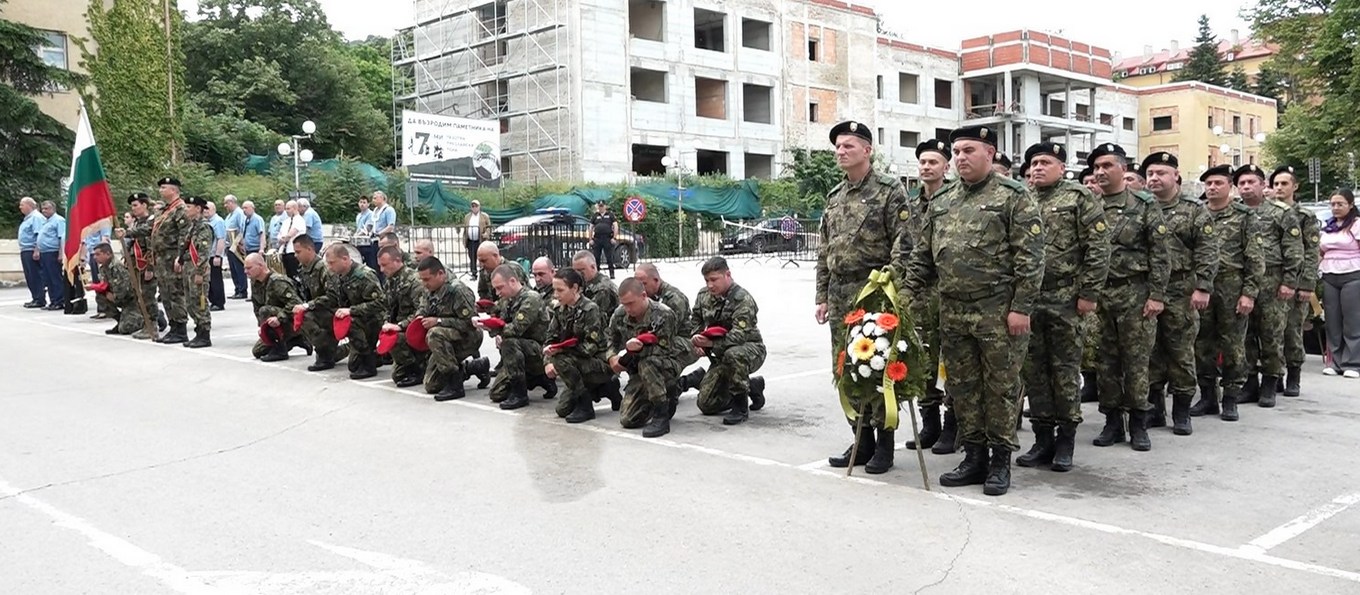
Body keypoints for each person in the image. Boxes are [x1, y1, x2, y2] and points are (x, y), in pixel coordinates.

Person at [902, 125, 1044, 496]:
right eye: (957, 152)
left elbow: (1030, 258)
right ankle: (974, 456)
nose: (961, 157)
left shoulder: (1013, 196)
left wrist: (1021, 308)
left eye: (969, 150)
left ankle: (1000, 461)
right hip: (952, 310)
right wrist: (904, 298)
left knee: (1000, 388)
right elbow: (922, 256)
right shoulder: (943, 199)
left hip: (997, 310)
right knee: (962, 387)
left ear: (990, 153)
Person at [814, 120, 912, 474]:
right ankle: (861, 439)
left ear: (867, 150)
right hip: (840, 293)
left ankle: (884, 444)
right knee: (846, 367)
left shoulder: (889, 190)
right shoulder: (834, 196)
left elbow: (904, 242)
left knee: (877, 364)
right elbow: (824, 250)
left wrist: (892, 288)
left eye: (849, 146)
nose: (841, 152)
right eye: (838, 146)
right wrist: (821, 295)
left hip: (873, 292)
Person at [1015, 142, 1109, 473]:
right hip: (1029, 299)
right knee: (1034, 371)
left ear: (1062, 167)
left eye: (1045, 162)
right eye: (1033, 163)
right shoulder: (1022, 199)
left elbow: (1098, 248)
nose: (1037, 168)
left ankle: (1066, 439)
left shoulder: (1079, 197)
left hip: (1066, 298)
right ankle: (1042, 439)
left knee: (1065, 370)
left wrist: (1089, 293)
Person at [1085, 144, 1169, 453]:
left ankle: (1138, 422)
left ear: (1123, 169)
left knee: (1136, 361)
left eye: (1107, 165)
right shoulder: (1090, 205)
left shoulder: (1144, 205)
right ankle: (1112, 421)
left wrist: (1157, 295)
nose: (1100, 172)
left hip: (1135, 293)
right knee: (1105, 361)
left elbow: (1160, 253)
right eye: (1096, 167)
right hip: (1099, 294)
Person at [1142, 153, 1218, 435]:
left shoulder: (1194, 210)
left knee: (1180, 351)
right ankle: (1154, 409)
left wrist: (1203, 287)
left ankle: (1182, 411)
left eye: (1161, 173)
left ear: (1176, 176)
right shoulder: (1140, 207)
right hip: (1147, 288)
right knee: (1149, 350)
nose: (1154, 178)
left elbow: (1207, 249)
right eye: (1150, 173)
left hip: (1181, 288)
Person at [1190, 165, 1263, 422]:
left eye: (1218, 183)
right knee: (1202, 343)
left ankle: (1231, 396)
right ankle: (1208, 396)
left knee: (1233, 344)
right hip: (1201, 286)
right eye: (1208, 184)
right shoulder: (1197, 214)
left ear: (1230, 187)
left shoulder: (1244, 216)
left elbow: (1255, 257)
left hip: (1232, 286)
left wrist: (1249, 293)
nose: (1212, 188)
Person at [1231, 164, 1302, 407]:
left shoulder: (1280, 212)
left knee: (1271, 334)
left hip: (1272, 280)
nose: (1246, 187)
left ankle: (1270, 382)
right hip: (1241, 280)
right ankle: (1250, 382)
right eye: (1241, 183)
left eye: (1251, 182)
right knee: (1245, 335)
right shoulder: (1234, 213)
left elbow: (1294, 250)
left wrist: (1289, 282)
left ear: (1263, 185)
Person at [904, 139, 957, 455]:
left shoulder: (955, 199)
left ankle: (953, 425)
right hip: (919, 294)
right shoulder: (911, 205)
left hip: (949, 292)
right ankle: (930, 424)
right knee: (923, 359)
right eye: (923, 162)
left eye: (933, 162)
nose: (926, 167)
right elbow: (903, 247)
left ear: (946, 167)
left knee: (950, 362)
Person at [688, 256, 766, 426]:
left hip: (748, 349)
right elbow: (695, 320)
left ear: (728, 275)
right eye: (707, 280)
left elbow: (739, 336)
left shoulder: (742, 299)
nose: (710, 285)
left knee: (733, 354)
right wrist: (698, 339)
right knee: (706, 405)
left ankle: (740, 407)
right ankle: (752, 386)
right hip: (720, 353)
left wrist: (710, 345)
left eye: (714, 279)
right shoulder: (703, 295)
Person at [609, 278, 684, 437]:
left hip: (663, 365)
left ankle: (661, 414)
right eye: (624, 304)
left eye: (631, 303)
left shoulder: (663, 314)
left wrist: (635, 351)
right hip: (637, 369)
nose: (628, 308)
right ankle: (670, 393)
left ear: (643, 296)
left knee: (647, 362)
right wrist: (613, 357)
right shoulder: (620, 314)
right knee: (628, 419)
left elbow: (664, 350)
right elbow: (610, 339)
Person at [1271, 166, 1320, 398]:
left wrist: (1307, 284)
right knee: (1272, 332)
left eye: (1284, 184)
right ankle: (1275, 374)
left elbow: (1312, 252)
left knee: (1292, 330)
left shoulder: (1304, 216)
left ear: (1295, 186)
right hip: (1273, 281)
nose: (1279, 188)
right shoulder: (1269, 212)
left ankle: (1294, 375)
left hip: (1297, 282)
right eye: (1276, 184)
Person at [415, 256, 490, 401]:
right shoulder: (430, 289)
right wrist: (420, 316)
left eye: (427, 279)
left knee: (434, 334)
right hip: (446, 338)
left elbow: (471, 323)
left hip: (468, 337)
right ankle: (474, 367)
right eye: (422, 280)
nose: (424, 283)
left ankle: (455, 385)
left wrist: (439, 321)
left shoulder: (458, 290)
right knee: (431, 384)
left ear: (440, 274)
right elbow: (423, 307)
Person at [545, 267, 613, 423]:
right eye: (554, 290)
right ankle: (605, 388)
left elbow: (591, 347)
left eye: (560, 290)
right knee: (562, 410)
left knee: (561, 360)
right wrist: (548, 360)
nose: (555, 295)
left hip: (597, 362)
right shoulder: (560, 309)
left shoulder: (590, 309)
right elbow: (550, 338)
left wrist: (563, 350)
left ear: (575, 288)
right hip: (576, 362)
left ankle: (585, 405)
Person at [477, 264, 550, 410]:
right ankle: (537, 378)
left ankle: (520, 394)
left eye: (500, 288)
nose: (497, 293)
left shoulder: (531, 298)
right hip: (520, 351)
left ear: (512, 281)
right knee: (496, 393)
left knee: (509, 342)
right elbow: (499, 316)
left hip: (539, 351)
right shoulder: (508, 299)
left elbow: (516, 328)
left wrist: (494, 329)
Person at [322, 244, 386, 379]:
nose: (329, 267)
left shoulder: (365, 275)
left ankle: (369, 363)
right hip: (357, 318)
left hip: (372, 320)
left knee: (350, 322)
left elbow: (380, 303)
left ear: (345, 259)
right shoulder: (337, 276)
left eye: (332, 263)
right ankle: (374, 355)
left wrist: (351, 311)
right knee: (353, 366)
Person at [1319, 189, 1360, 378]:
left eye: (1340, 204)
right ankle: (1334, 362)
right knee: (1332, 320)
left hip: (1352, 274)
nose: (1335, 208)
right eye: (1333, 204)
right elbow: (1320, 251)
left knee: (1352, 320)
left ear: (1350, 205)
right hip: (1329, 274)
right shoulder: (1328, 226)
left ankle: (1352, 363)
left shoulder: (1356, 224)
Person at [293, 236, 346, 372]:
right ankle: (328, 351)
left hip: (334, 311)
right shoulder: (304, 269)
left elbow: (332, 297)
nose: (295, 255)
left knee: (306, 316)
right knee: (299, 314)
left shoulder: (323, 268)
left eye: (298, 252)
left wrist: (308, 306)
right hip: (320, 310)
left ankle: (326, 354)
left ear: (309, 249)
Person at [378, 245, 428, 388]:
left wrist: (400, 326)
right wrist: (386, 322)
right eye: (380, 265)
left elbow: (421, 312)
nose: (381, 269)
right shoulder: (390, 281)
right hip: (400, 328)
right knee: (398, 375)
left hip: (414, 330)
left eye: (384, 265)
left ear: (397, 261)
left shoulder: (414, 281)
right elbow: (387, 307)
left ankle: (418, 368)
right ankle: (412, 365)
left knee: (396, 339)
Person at [116, 192, 165, 339]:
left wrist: (150, 268)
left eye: (136, 205)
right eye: (132, 206)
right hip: (136, 266)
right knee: (139, 297)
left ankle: (152, 326)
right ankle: (147, 324)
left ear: (144, 205)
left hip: (146, 265)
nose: (133, 208)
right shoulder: (137, 222)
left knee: (147, 296)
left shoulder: (152, 221)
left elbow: (152, 246)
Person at [246, 252, 307, 362]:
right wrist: (262, 327)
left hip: (291, 320)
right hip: (273, 324)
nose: (246, 271)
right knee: (258, 351)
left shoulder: (277, 281)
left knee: (265, 310)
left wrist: (279, 318)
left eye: (249, 268)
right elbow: (257, 306)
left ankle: (280, 351)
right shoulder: (255, 282)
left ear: (261, 265)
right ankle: (296, 340)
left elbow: (296, 304)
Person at [87, 243, 144, 336]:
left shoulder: (117, 267)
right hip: (118, 298)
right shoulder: (103, 268)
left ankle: (151, 317)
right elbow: (105, 284)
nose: (95, 257)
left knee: (125, 329)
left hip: (131, 301)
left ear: (108, 254)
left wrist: (115, 297)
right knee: (100, 297)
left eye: (98, 254)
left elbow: (125, 288)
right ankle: (120, 320)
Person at [182, 196, 216, 348]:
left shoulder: (204, 227)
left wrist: (200, 272)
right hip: (189, 268)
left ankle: (204, 335)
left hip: (197, 269)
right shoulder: (193, 226)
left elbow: (203, 252)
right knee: (190, 302)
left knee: (200, 302)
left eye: (188, 207)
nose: (186, 210)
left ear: (198, 209)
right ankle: (198, 332)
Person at [35, 201, 66, 311]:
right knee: (47, 278)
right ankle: (53, 300)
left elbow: (62, 237)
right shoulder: (45, 222)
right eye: (42, 209)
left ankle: (59, 301)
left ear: (53, 209)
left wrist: (61, 253)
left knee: (55, 277)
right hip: (44, 252)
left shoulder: (58, 220)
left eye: (46, 208)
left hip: (53, 252)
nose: (44, 211)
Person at [17, 197, 47, 308]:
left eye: (22, 205)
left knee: (35, 275)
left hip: (31, 250)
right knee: (30, 276)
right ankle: (35, 297)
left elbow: (40, 235)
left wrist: (37, 250)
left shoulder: (36, 217)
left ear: (29, 205)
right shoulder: (28, 218)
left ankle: (39, 299)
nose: (20, 207)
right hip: (25, 250)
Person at [223, 195, 249, 300]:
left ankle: (242, 290)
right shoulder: (229, 216)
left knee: (239, 268)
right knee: (233, 269)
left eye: (226, 203)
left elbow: (242, 229)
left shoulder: (239, 213)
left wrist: (240, 243)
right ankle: (237, 289)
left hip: (236, 245)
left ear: (232, 202)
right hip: (229, 245)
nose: (225, 206)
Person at [277, 200, 308, 280]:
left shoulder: (299, 220)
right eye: (286, 209)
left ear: (294, 208)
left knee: (294, 274)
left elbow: (291, 234)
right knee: (287, 275)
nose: (286, 211)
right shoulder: (286, 221)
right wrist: (281, 239)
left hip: (293, 251)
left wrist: (284, 238)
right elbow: (280, 234)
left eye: (288, 209)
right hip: (284, 251)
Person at [206, 200, 228, 311]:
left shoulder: (218, 221)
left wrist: (218, 255)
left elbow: (221, 239)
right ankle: (212, 300)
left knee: (215, 279)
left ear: (214, 210)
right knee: (209, 279)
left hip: (214, 255)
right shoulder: (206, 221)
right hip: (207, 255)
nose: (205, 211)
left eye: (208, 209)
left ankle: (219, 302)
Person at [590, 201, 619, 278]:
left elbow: (616, 226)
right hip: (597, 238)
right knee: (596, 257)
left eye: (602, 206)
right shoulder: (595, 216)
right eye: (600, 206)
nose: (601, 208)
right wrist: (590, 239)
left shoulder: (610, 215)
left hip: (607, 238)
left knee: (609, 257)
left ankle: (612, 274)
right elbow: (591, 227)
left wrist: (614, 238)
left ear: (605, 206)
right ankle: (596, 275)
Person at [464, 200, 491, 277]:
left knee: (482, 257)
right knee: (472, 257)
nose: (474, 208)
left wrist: (486, 234)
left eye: (476, 206)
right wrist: (464, 239)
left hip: (480, 240)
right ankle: (474, 273)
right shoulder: (467, 217)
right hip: (470, 240)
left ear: (479, 207)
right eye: (473, 206)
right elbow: (465, 228)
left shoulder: (484, 216)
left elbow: (489, 227)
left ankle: (483, 274)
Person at [354, 196, 379, 278]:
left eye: (364, 202)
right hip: (360, 242)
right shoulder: (358, 216)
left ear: (368, 204)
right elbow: (358, 229)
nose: (362, 204)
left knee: (371, 264)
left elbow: (367, 228)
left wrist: (357, 235)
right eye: (361, 202)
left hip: (368, 244)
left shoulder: (371, 214)